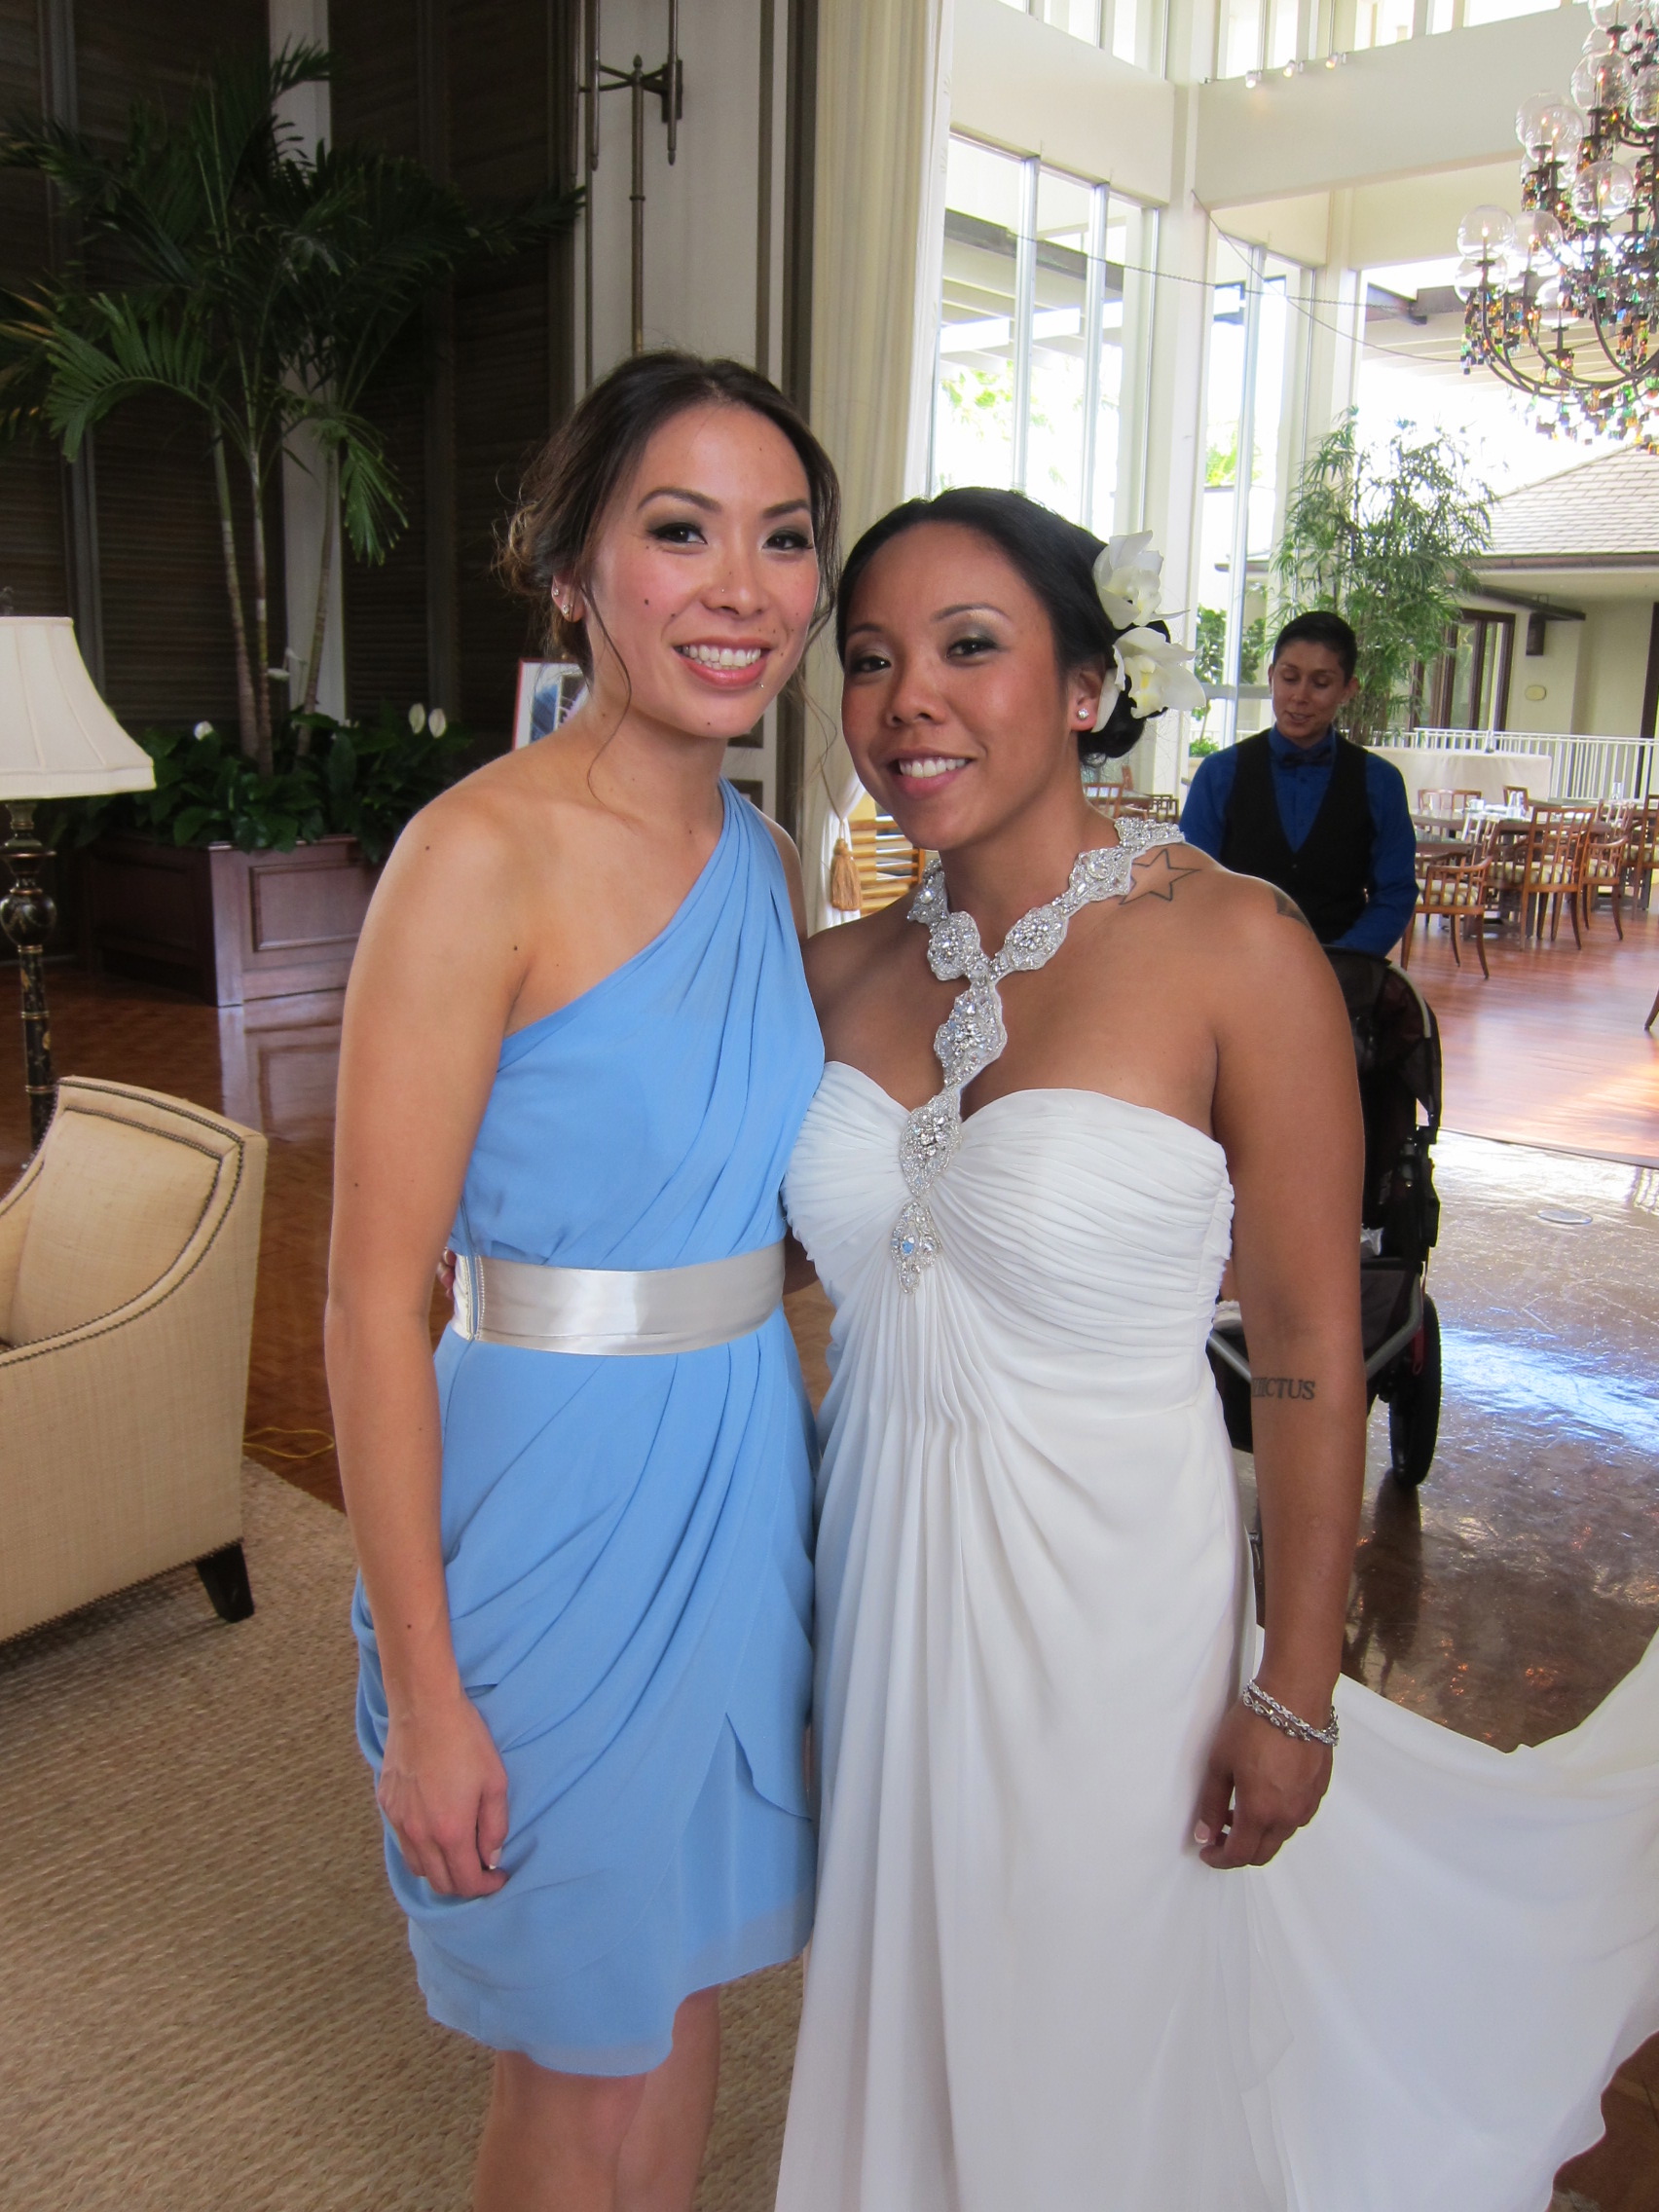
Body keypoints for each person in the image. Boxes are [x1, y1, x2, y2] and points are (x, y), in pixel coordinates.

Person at [774, 488, 1659, 2212]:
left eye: (968, 646)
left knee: (1098, 2030)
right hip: (877, 1579)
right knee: (914, 1999)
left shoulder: (1235, 945)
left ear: (1089, 686)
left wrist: (1294, 1682)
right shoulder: (829, 973)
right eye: (869, 659)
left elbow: (1314, 1342)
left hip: (1116, 1604)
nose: (905, 699)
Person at [326, 350, 838, 2212]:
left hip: (738, 1477)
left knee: (675, 1999)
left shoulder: (763, 858)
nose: (741, 587)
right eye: (679, 531)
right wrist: (427, 1694)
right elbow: (366, 1301)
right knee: (571, 2064)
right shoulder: (476, 856)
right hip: (549, 1494)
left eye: (782, 538)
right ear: (570, 572)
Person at [1180, 608, 1419, 954]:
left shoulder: (1380, 782)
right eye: (1290, 678)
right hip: (1234, 961)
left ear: (1348, 689)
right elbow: (1192, 882)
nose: (1300, 696)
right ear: (1271, 676)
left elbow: (1395, 892)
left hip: (1342, 968)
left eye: (1320, 684)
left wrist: (1341, 960)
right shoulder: (1219, 773)